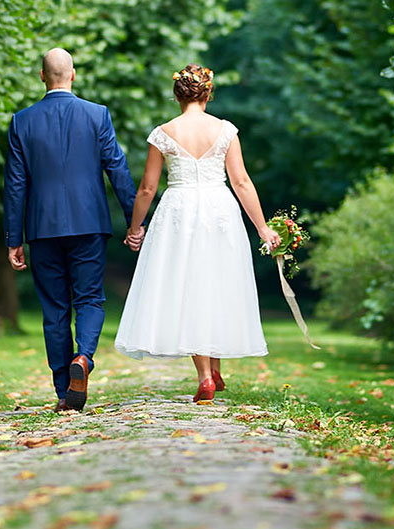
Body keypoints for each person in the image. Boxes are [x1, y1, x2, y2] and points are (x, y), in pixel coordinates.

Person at [114, 64, 281, 401]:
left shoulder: (164, 132)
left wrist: (135, 228)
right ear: (208, 92)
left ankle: (206, 375)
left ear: (178, 94)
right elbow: (241, 182)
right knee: (215, 281)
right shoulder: (225, 130)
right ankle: (213, 369)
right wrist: (262, 228)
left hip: (178, 210)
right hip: (219, 209)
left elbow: (147, 188)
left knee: (189, 284)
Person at [3, 48, 141, 411]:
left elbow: (16, 185)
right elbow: (118, 170)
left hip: (42, 228)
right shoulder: (97, 115)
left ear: (41, 76)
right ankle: (85, 358)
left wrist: (12, 239)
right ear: (73, 75)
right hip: (89, 223)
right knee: (90, 298)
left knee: (54, 308)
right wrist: (135, 221)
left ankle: (64, 391)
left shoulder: (22, 121)